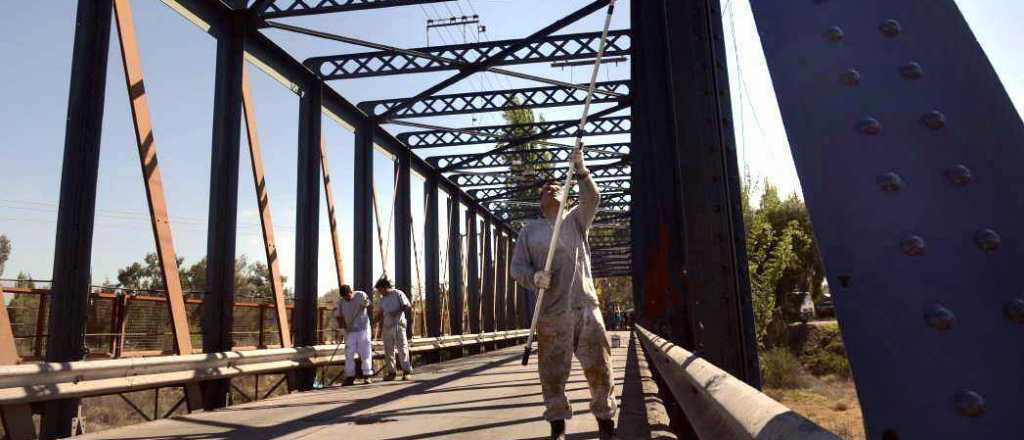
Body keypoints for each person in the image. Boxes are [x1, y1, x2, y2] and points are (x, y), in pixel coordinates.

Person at [511, 149, 618, 440]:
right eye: (545, 189)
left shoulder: (575, 220)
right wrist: (534, 277)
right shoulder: (529, 231)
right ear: (540, 202)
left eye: (557, 187)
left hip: (586, 307)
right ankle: (557, 423)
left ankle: (606, 422)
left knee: (600, 369)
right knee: (553, 375)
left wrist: (581, 170)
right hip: (552, 314)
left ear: (567, 198)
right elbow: (516, 268)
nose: (551, 188)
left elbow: (593, 198)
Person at [333, 284, 373, 385]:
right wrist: (344, 327)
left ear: (351, 292)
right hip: (350, 331)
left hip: (363, 329)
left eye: (348, 296)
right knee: (349, 353)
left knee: (365, 352)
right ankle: (350, 376)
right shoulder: (341, 302)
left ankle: (367, 375)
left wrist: (365, 303)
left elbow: (368, 303)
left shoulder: (360, 295)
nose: (347, 298)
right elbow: (338, 316)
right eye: (344, 297)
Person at [375, 276, 413, 381]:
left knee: (402, 348)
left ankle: (406, 371)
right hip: (387, 326)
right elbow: (381, 312)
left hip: (398, 325)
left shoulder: (397, 293)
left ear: (385, 287)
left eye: (380, 290)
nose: (379, 292)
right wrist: (375, 321)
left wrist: (397, 311)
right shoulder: (382, 299)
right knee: (388, 350)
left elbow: (407, 305)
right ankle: (392, 372)